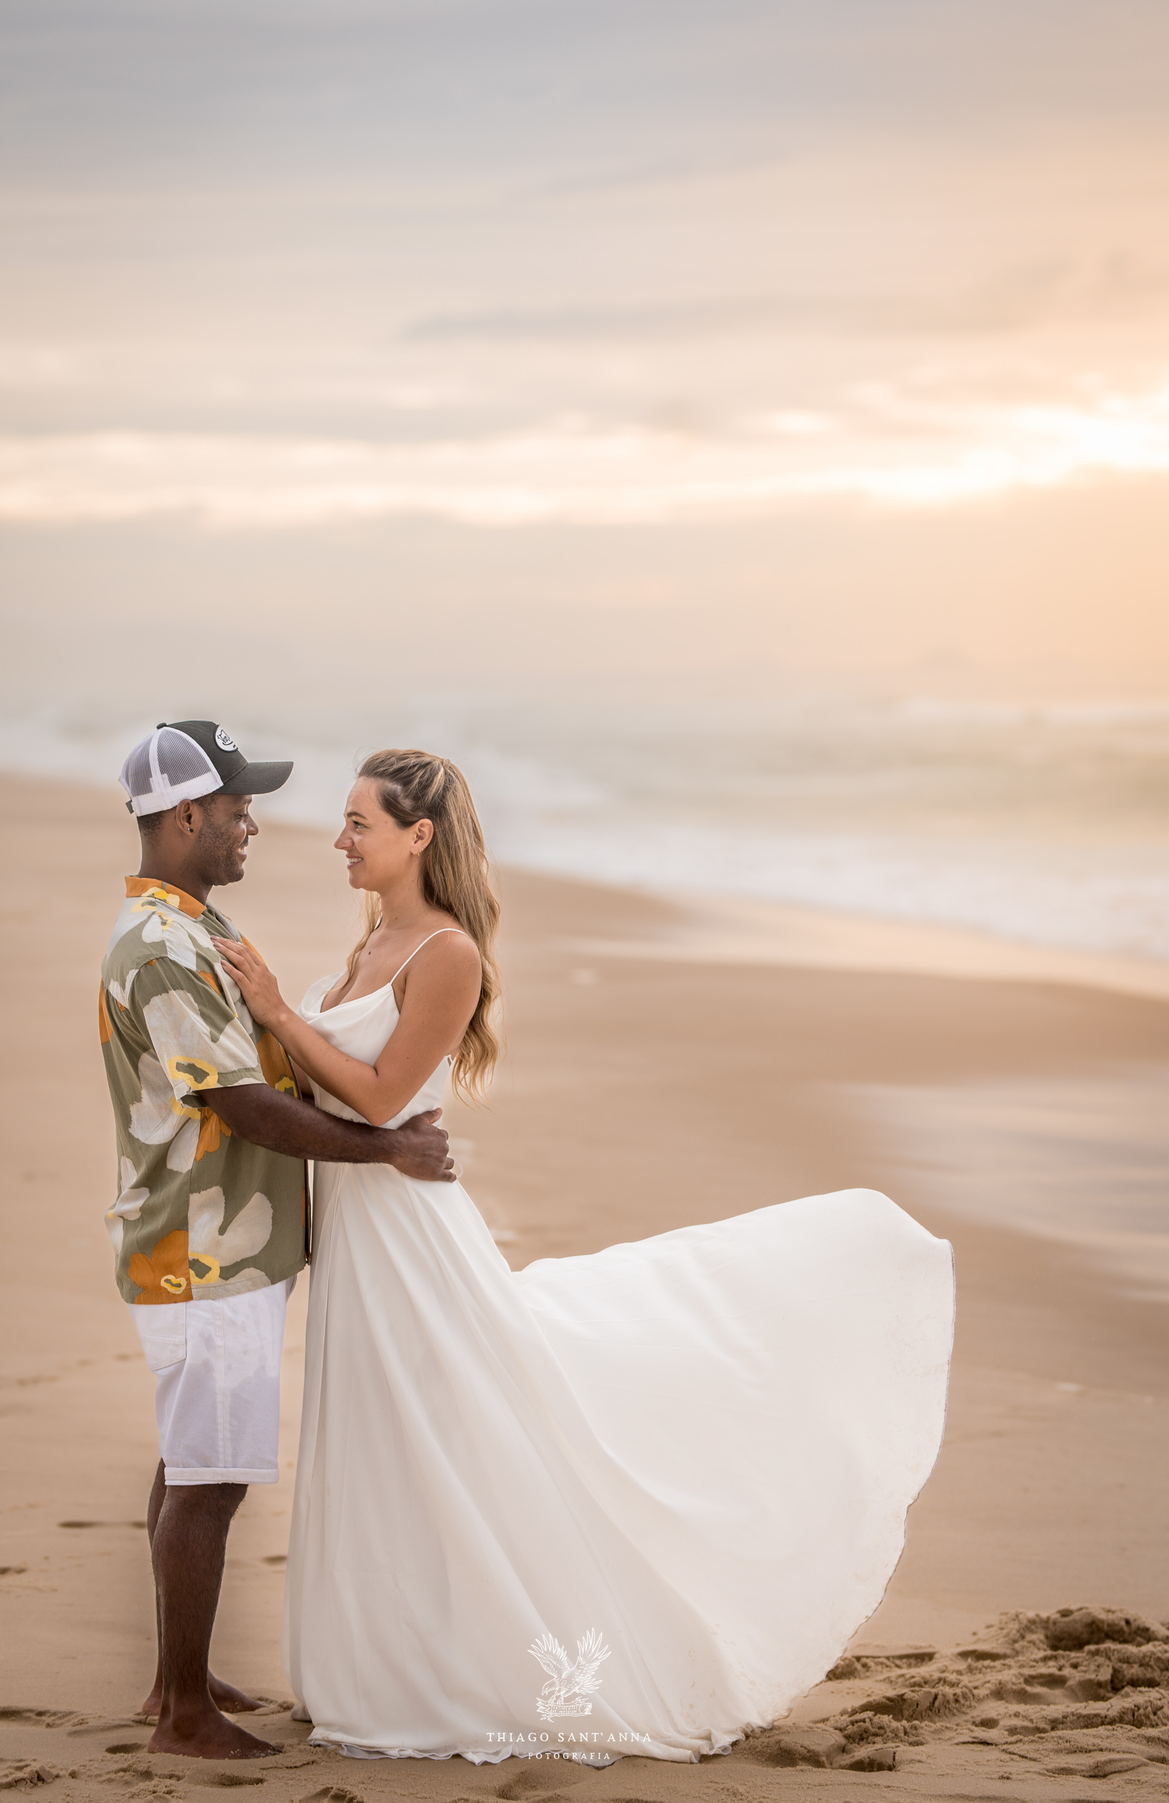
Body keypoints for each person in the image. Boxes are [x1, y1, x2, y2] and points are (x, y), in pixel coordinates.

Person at [218, 746, 956, 1768]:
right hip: (358, 1227)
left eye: (359, 823)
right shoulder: (369, 941)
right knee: (382, 1436)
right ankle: (385, 1657)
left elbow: (382, 1098)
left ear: (418, 836)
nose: (339, 839)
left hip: (409, 1235)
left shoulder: (446, 953)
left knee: (445, 1431)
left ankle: (475, 1666)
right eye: (343, 821)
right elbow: (326, 1091)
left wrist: (277, 1013)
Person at [99, 721, 455, 1764]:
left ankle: (178, 1678)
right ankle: (185, 1715)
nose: (251, 823)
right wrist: (387, 1147)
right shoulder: (165, 948)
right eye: (238, 806)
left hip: (215, 1240)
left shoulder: (193, 925)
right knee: (209, 1480)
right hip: (204, 1248)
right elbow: (243, 1103)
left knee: (190, 1461)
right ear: (185, 815)